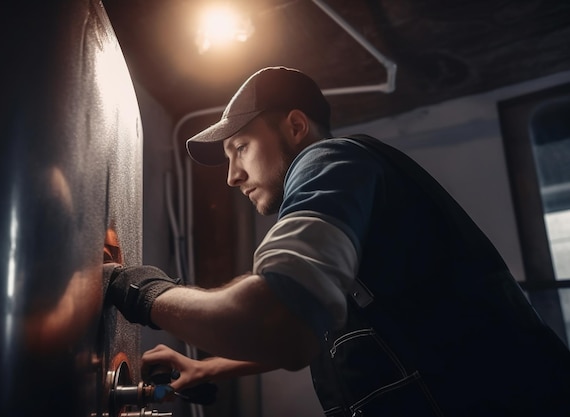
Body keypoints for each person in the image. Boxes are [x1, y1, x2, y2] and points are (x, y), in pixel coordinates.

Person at [107, 66, 570, 416]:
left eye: (240, 147)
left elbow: (280, 320)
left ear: (294, 127)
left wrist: (143, 291)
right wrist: (212, 367)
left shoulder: (328, 159)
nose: (232, 176)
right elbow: (316, 320)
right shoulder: (350, 213)